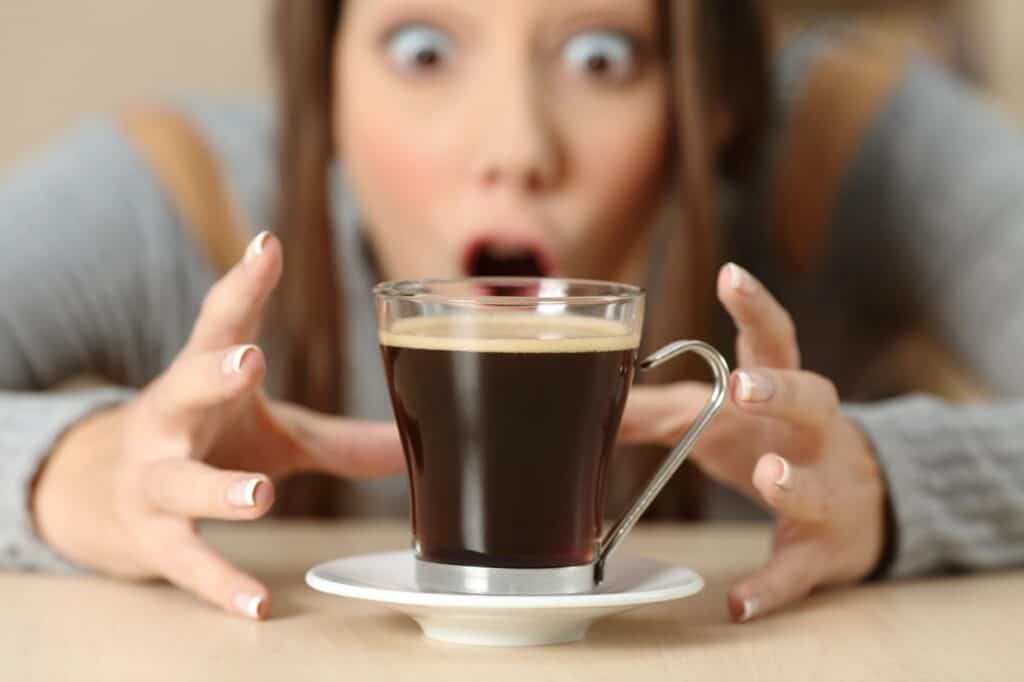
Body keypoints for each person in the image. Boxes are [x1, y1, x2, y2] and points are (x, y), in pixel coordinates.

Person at [2, 0, 1023, 625]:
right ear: (323, 90)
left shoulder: (844, 147)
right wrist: (71, 470)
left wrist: (891, 482)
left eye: (600, 60)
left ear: (710, 105)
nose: (514, 144)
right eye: (421, 48)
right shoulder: (173, 198)